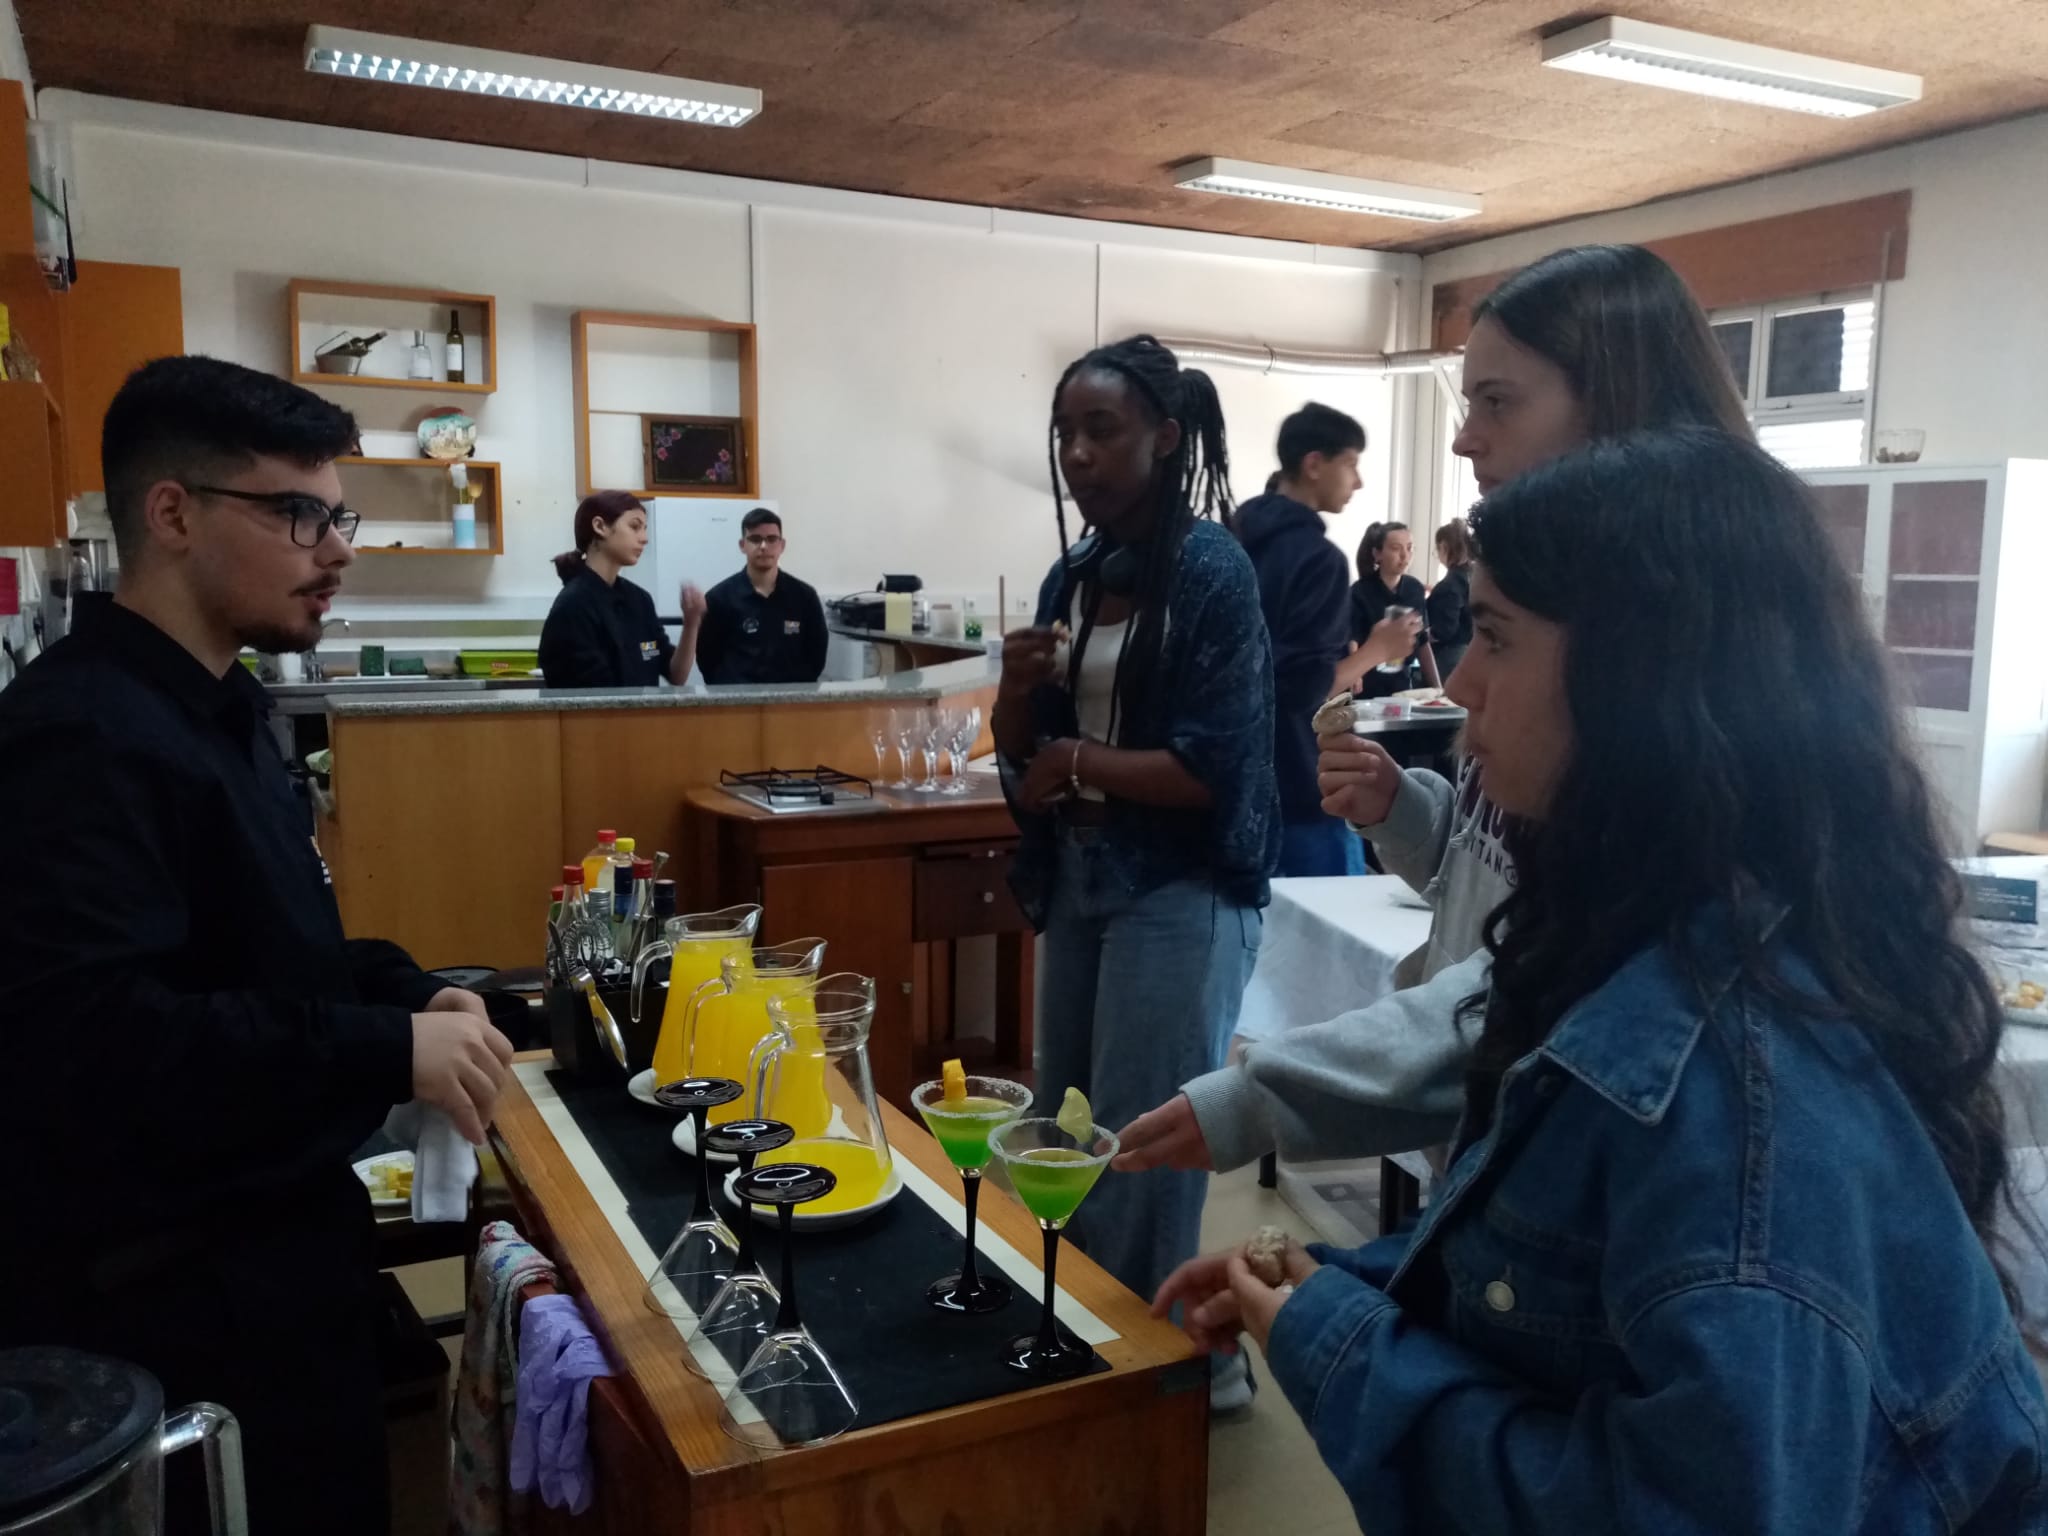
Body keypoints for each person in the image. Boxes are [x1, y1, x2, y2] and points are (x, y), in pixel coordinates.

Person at [1162, 429, 2046, 1533]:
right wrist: (1332, 1296)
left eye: (1494, 638)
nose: (1461, 684)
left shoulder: (1728, 1098)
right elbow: (1567, 1314)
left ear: (1645, 679)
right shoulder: (1664, 936)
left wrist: (1341, 1344)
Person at [1113, 244, 1756, 1187]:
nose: (1464, 441)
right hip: (1489, 1144)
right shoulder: (1562, 603)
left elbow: (1542, 980)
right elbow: (1495, 877)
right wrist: (1408, 812)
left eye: (1497, 402)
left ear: (1614, 403)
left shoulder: (1675, 666)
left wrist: (1262, 1094)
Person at [0, 356, 515, 1535]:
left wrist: (408, 994)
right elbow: (99, 1044)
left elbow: (267, 952)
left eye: (338, 518)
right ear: (172, 513)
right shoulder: (78, 739)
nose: (335, 550)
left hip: (287, 1268)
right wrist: (383, 1050)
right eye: (296, 515)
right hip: (173, 1311)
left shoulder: (226, 707)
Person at [992, 334, 1278, 1396]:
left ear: (1163, 436)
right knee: (1062, 1129)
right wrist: (1016, 691)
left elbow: (1217, 769)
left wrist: (1075, 760)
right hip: (1082, 877)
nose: (1077, 453)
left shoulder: (1210, 571)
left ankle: (1168, 1387)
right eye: (1065, 433)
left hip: (1179, 888)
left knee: (1138, 1145)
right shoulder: (1074, 572)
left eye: (1101, 430)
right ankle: (1093, 1347)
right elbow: (1022, 749)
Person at [1239, 403, 1421, 877]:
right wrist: (1379, 650)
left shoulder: (1232, 539)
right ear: (1314, 464)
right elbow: (1300, 688)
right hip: (1297, 777)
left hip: (1230, 774)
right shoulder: (1318, 559)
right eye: (1351, 464)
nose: (1357, 482)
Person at [539, 489, 705, 688]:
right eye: (635, 527)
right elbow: (589, 693)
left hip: (641, 709)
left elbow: (676, 675)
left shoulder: (640, 599)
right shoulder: (574, 605)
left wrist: (691, 623)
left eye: (644, 529)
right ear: (600, 526)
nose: (644, 538)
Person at [696, 507, 829, 685]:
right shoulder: (718, 598)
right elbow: (707, 659)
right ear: (742, 545)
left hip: (791, 698)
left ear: (782, 545)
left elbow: (817, 655)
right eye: (755, 539)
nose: (764, 546)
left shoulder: (805, 597)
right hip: (736, 699)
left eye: (772, 539)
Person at [1349, 521, 1439, 697]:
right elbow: (1353, 638)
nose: (1405, 555)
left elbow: (1422, 641)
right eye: (1396, 548)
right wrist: (1355, 675)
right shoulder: (1359, 591)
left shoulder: (1415, 589)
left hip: (1402, 684)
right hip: (1367, 684)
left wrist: (1437, 687)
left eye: (1410, 548)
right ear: (1377, 554)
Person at [1426, 516, 1474, 678]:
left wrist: (1421, 636)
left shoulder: (1450, 585)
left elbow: (1445, 629)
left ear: (1444, 546)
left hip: (1450, 657)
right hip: (1470, 652)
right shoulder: (1473, 576)